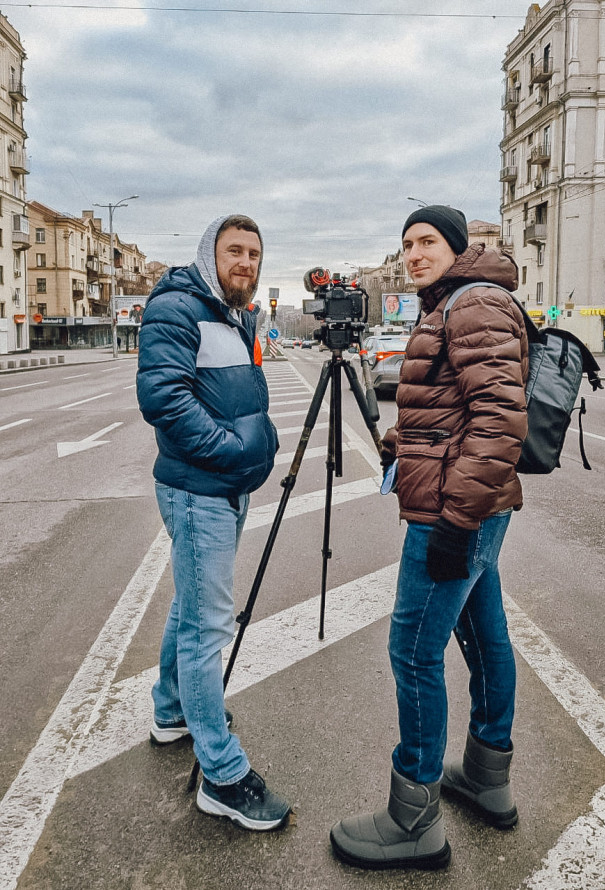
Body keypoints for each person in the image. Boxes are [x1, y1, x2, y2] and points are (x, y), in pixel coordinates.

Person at [330, 204, 529, 869]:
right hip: (471, 504)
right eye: (407, 243)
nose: (414, 253)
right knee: (485, 636)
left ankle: (413, 819)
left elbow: (499, 417)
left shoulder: (471, 304)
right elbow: (446, 407)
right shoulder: (453, 302)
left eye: (427, 242)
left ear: (455, 245)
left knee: (414, 651)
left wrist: (455, 520)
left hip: (456, 511)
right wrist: (398, 442)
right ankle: (486, 776)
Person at [136, 214, 290, 831]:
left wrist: (263, 439)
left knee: (190, 606)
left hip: (223, 489)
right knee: (207, 627)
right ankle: (222, 777)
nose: (246, 263)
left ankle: (170, 711)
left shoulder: (235, 313)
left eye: (254, 253)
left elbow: (246, 393)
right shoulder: (178, 306)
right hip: (200, 490)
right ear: (210, 254)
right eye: (235, 251)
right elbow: (164, 399)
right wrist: (233, 452)